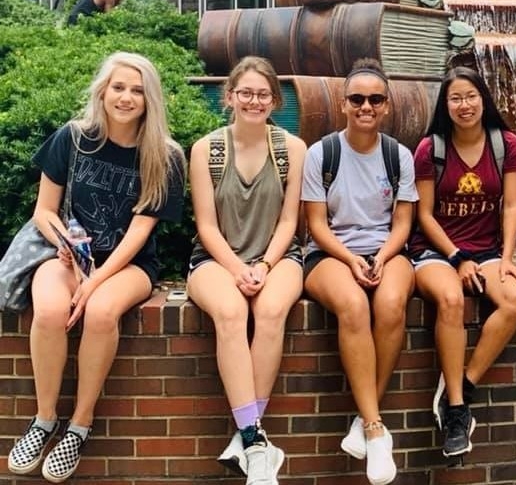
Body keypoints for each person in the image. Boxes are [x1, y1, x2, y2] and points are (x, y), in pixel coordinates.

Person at [6, 52, 185, 483]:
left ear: (150, 99)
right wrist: (65, 244)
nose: (126, 97)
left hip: (128, 266)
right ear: (102, 91)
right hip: (67, 255)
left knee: (102, 311)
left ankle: (79, 425)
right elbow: (44, 211)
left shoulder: (165, 156)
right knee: (49, 310)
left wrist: (93, 281)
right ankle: (44, 419)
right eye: (118, 87)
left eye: (138, 90)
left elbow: (140, 234)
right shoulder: (73, 138)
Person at [186, 56, 306, 485]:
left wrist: (265, 264)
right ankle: (256, 440)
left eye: (263, 94)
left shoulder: (291, 148)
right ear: (230, 97)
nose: (254, 101)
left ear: (274, 100)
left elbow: (290, 222)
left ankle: (246, 435)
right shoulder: (206, 150)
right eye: (245, 93)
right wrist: (239, 268)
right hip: (216, 260)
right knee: (232, 314)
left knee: (272, 312)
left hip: (278, 257)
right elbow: (206, 225)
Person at [301, 59, 417, 485]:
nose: (366, 106)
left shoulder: (397, 155)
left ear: (386, 106)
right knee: (352, 305)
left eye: (375, 99)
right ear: (344, 104)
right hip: (331, 253)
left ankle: (365, 420)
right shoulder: (323, 153)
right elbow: (315, 224)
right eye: (357, 99)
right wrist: (350, 260)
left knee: (390, 304)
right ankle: (374, 426)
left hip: (386, 250)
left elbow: (402, 223)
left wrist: (383, 257)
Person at [409, 66, 516, 458]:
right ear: (445, 105)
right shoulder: (432, 148)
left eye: (471, 96)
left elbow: (512, 204)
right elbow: (424, 215)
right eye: (456, 98)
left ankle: (464, 383)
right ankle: (458, 411)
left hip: (488, 250)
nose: (465, 105)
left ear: (484, 99)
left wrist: (509, 257)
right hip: (435, 251)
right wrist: (456, 257)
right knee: (452, 300)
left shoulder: (506, 144)